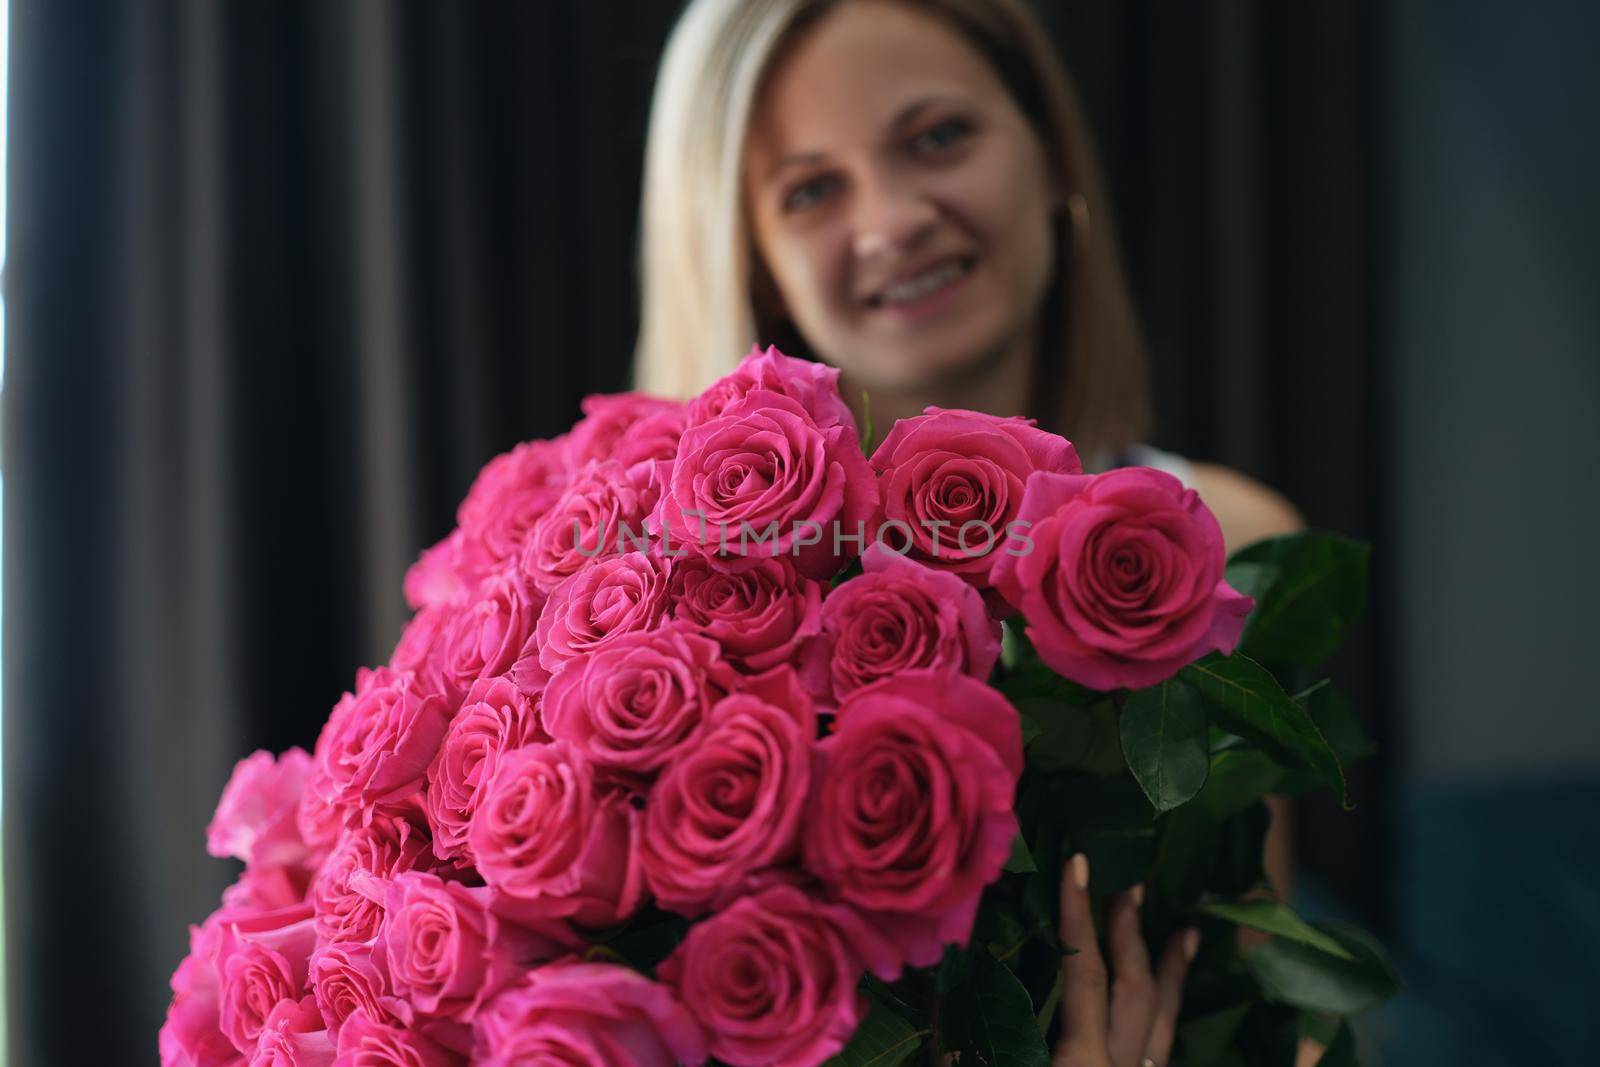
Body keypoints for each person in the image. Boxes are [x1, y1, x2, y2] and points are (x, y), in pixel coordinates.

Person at [632, 2, 1308, 1063]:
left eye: (937, 136)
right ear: (752, 259)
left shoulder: (1236, 537)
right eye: (810, 189)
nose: (891, 219)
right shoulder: (683, 615)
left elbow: (1259, 994)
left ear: (1051, 154)